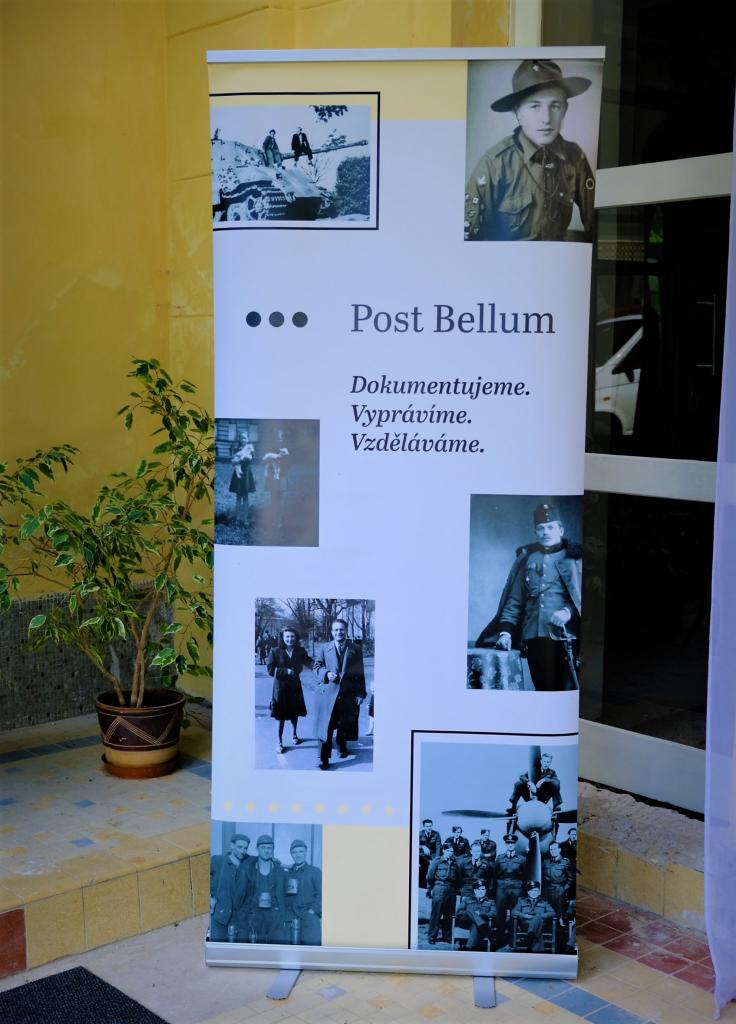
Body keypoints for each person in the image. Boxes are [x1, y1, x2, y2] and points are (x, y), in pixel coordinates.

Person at [465, 59, 596, 242]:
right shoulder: (494, 164)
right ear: (518, 112)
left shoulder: (576, 158)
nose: (546, 118)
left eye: (555, 106)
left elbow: (598, 225)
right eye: (535, 106)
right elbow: (469, 239)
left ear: (565, 110)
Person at [475, 502, 582, 691]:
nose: (545, 532)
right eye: (540, 528)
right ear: (535, 532)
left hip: (566, 638)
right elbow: (514, 601)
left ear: (561, 529)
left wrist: (568, 612)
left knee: (564, 692)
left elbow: (587, 598)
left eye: (550, 527)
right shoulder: (528, 560)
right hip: (533, 639)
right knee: (542, 690)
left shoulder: (575, 560)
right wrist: (506, 633)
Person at [313, 619, 367, 769]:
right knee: (326, 725)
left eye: (342, 629)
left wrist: (360, 693)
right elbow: (316, 666)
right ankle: (323, 758)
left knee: (344, 723)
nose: (339, 632)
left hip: (348, 693)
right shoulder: (324, 648)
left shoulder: (355, 649)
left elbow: (360, 672)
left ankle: (341, 745)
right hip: (328, 694)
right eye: (336, 630)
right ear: (332, 632)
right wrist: (326, 673)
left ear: (346, 631)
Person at [266, 627, 312, 754]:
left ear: (296, 638)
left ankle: (294, 734)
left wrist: (320, 668)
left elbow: (309, 662)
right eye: (287, 636)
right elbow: (270, 669)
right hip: (280, 688)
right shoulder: (275, 651)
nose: (290, 639)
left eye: (292, 636)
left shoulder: (300, 651)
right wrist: (285, 671)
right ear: (282, 638)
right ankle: (279, 742)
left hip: (295, 686)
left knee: (294, 713)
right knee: (280, 715)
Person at [242, 834, 287, 943]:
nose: (266, 851)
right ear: (257, 849)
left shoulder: (279, 870)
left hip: (274, 916)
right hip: (254, 916)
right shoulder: (249, 868)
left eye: (269, 848)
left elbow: (283, 895)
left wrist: (282, 916)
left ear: (273, 850)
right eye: (263, 848)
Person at [210, 833, 250, 941]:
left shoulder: (247, 864)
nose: (243, 851)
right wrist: (209, 898)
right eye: (240, 847)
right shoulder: (217, 861)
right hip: (218, 917)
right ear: (232, 845)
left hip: (238, 920)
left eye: (245, 848)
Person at [284, 838, 322, 946]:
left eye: (301, 851)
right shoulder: (288, 874)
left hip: (309, 919)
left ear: (306, 852)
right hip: (291, 918)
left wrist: (313, 911)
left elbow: (322, 895)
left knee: (312, 951)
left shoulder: (315, 872)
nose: (298, 855)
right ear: (291, 854)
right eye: (294, 852)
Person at [508, 751, 563, 818]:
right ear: (541, 761)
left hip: (543, 797)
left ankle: (556, 806)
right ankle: (513, 806)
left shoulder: (552, 772)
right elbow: (521, 776)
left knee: (556, 783)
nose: (546, 764)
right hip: (530, 795)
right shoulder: (534, 770)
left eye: (548, 762)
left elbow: (556, 780)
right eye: (544, 761)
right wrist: (529, 782)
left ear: (550, 762)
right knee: (518, 783)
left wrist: (543, 780)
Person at [493, 834, 524, 946]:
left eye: (512, 843)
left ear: (515, 844)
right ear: (506, 844)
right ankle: (499, 940)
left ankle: (513, 939)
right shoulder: (500, 858)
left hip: (516, 888)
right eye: (508, 843)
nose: (510, 845)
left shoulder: (522, 859)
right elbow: (495, 874)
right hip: (502, 888)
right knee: (500, 914)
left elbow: (525, 875)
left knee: (514, 914)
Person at [426, 841, 459, 945]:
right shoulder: (437, 861)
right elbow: (429, 876)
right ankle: (432, 936)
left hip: (451, 889)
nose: (450, 853)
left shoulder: (455, 862)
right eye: (448, 851)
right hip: (439, 887)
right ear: (443, 850)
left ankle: (447, 936)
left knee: (449, 914)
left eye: (451, 851)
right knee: (436, 914)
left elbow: (458, 877)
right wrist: (430, 888)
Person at [511, 880, 556, 952]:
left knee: (537, 917)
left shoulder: (544, 902)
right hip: (526, 924)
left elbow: (553, 913)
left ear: (539, 892)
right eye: (531, 891)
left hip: (541, 925)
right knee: (538, 929)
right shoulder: (521, 901)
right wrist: (524, 915)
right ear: (528, 892)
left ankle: (529, 941)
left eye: (536, 890)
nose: (534, 893)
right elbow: (513, 912)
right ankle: (535, 948)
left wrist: (541, 916)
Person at [228, 428, 256, 525]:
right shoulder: (236, 449)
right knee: (238, 496)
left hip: (246, 474)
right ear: (239, 439)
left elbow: (251, 459)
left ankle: (245, 519)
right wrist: (235, 461)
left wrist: (242, 459)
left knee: (246, 497)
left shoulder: (250, 449)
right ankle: (237, 518)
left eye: (245, 438)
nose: (243, 440)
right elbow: (232, 461)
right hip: (238, 475)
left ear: (248, 439)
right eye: (242, 438)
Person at [542, 841, 574, 918]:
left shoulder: (565, 862)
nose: (552, 851)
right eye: (551, 849)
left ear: (559, 850)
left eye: (555, 849)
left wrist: (563, 889)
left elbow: (571, 878)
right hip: (547, 891)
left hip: (559, 891)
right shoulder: (545, 862)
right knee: (547, 913)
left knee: (558, 913)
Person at [464, 879, 497, 951]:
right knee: (469, 911)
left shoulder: (491, 902)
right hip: (466, 922)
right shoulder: (467, 900)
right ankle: (485, 929)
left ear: (486, 890)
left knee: (475, 925)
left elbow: (494, 914)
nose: (481, 891)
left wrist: (480, 914)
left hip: (479, 924)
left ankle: (468, 949)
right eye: (478, 889)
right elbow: (459, 912)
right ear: (475, 891)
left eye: (483, 889)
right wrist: (469, 914)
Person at [419, 818, 442, 888]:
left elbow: (438, 847)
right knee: (423, 865)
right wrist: (422, 846)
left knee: (434, 865)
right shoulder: (420, 834)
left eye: (430, 826)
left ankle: (431, 884)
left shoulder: (436, 834)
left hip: (433, 854)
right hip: (422, 854)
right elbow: (413, 845)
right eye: (427, 826)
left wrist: (436, 859)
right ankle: (422, 884)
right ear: (424, 827)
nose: (429, 828)